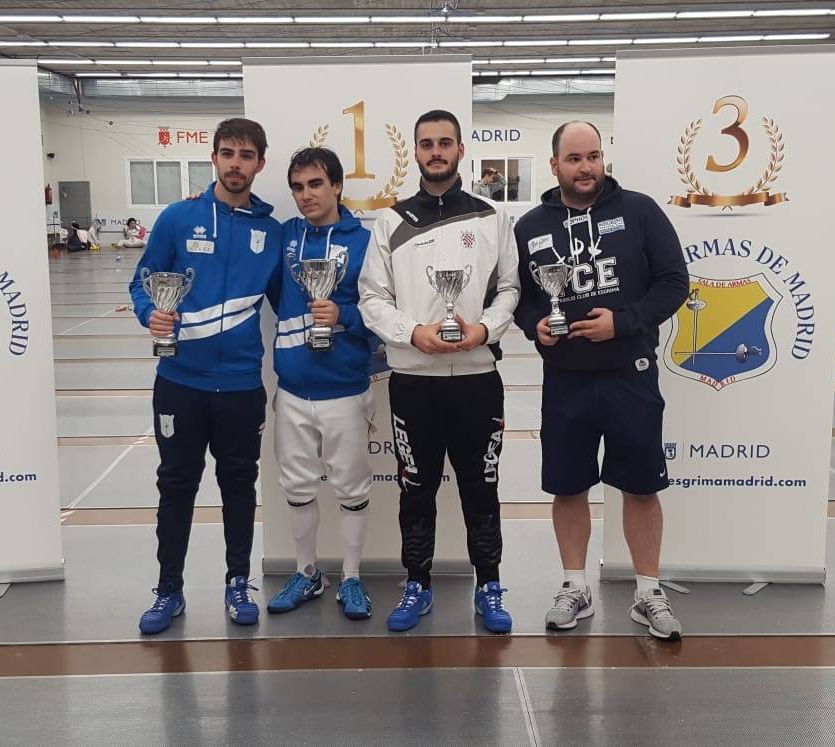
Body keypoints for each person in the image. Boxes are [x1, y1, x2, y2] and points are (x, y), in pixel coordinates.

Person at [512, 121, 689, 640]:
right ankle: (574, 586)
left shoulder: (640, 211)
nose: (586, 167)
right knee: (568, 488)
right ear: (554, 166)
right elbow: (520, 295)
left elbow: (675, 282)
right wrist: (533, 325)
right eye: (574, 158)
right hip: (565, 378)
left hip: (629, 374)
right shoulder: (529, 226)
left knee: (640, 487)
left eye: (593, 156)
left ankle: (647, 591)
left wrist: (625, 321)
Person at [358, 109, 521, 634]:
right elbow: (371, 296)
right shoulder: (391, 221)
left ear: (460, 150)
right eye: (426, 143)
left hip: (477, 380)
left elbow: (511, 290)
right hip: (413, 382)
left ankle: (490, 584)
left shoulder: (493, 218)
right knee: (416, 488)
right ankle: (417, 584)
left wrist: (484, 330)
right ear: (416, 150)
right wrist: (412, 333)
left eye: (444, 142)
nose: (435, 151)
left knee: (482, 485)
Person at [129, 118, 282, 634]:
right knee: (176, 487)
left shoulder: (272, 232)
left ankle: (238, 581)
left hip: (241, 387)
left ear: (260, 162)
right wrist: (150, 313)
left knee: (239, 486)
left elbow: (293, 305)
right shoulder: (176, 219)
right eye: (227, 153)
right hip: (181, 383)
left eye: (246, 154)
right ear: (213, 159)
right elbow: (142, 284)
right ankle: (168, 589)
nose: (235, 163)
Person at [265, 147, 376, 621]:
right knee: (297, 487)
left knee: (352, 489)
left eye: (314, 184)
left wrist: (344, 316)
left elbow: (382, 310)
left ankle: (351, 577)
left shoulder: (366, 242)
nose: (305, 195)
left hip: (346, 389)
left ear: (336, 186)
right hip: (291, 390)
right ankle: (307, 572)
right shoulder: (284, 236)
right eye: (296, 186)